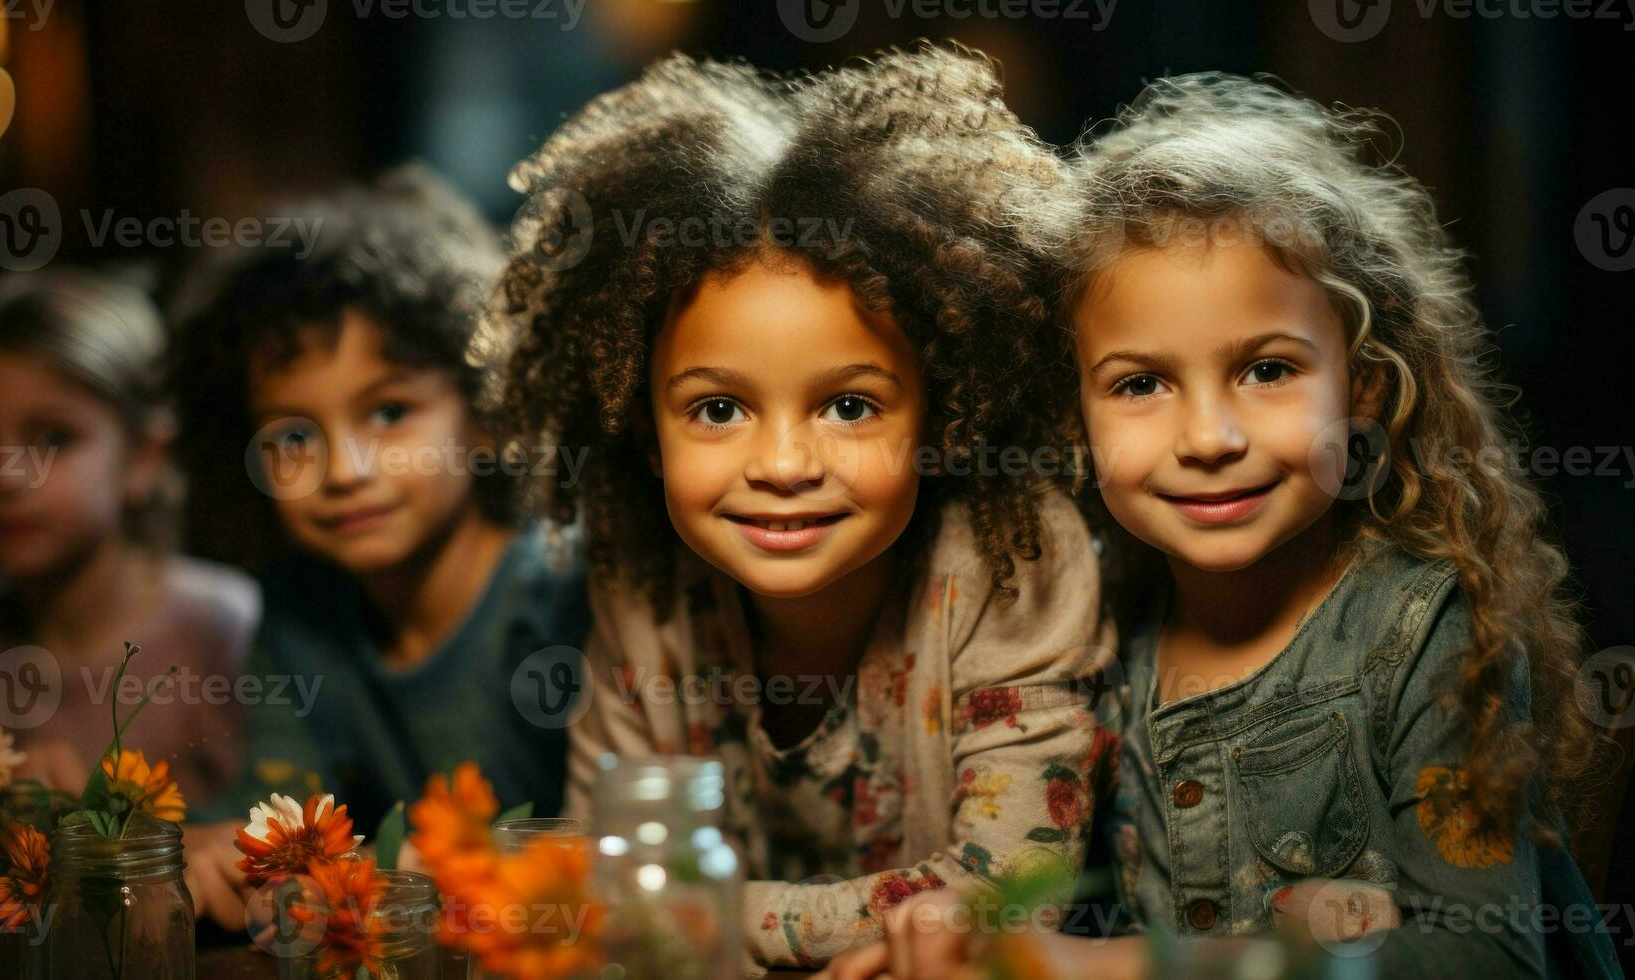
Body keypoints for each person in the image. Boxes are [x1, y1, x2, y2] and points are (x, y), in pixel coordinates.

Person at [820, 73, 1619, 979]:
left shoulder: (1431, 633)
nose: (1208, 438)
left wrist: (1121, 968)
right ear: (1071, 412)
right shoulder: (1088, 631)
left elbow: (1488, 963)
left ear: (1361, 386)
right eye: (1139, 385)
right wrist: (968, 932)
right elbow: (1057, 907)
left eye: (1267, 370)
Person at [490, 44, 1116, 971]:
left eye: (849, 406)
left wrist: (702, 914)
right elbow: (612, 899)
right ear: (642, 426)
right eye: (717, 409)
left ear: (943, 410)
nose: (782, 463)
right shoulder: (641, 582)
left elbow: (1006, 898)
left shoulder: (1012, 560)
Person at [170, 165, 590, 927]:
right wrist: (217, 852)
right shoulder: (303, 609)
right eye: (293, 435)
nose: (344, 471)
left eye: (390, 413)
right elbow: (277, 814)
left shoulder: (561, 589)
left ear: (488, 411)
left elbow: (625, 850)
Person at [0, 268, 256, 805]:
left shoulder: (219, 628)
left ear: (145, 457)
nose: (6, 476)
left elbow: (273, 830)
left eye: (54, 438)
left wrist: (110, 830)